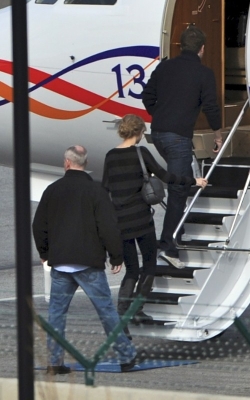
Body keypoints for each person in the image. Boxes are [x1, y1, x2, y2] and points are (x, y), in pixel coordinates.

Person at [32, 145, 137, 374]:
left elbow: (39, 225)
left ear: (67, 163)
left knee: (56, 314)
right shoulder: (96, 191)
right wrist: (116, 255)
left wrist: (45, 253)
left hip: (61, 264)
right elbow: (108, 226)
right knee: (106, 312)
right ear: (85, 164)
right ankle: (126, 356)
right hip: (89, 264)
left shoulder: (52, 190)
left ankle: (54, 362)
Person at [102, 114, 207, 335]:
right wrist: (193, 181)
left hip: (121, 222)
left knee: (131, 269)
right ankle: (137, 308)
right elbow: (166, 176)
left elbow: (105, 189)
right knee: (149, 264)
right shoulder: (141, 153)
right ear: (139, 132)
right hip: (141, 220)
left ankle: (122, 310)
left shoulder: (110, 156)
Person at [142, 25, 222, 268]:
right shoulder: (203, 73)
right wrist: (218, 136)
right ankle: (168, 245)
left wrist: (161, 117)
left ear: (181, 46)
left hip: (158, 134)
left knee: (184, 179)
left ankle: (178, 230)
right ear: (202, 49)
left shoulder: (164, 66)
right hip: (178, 138)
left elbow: (147, 97)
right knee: (178, 190)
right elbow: (210, 106)